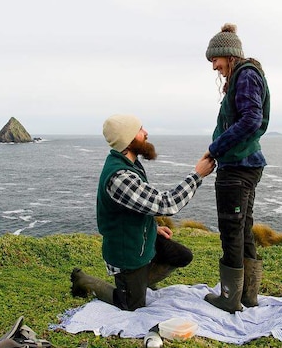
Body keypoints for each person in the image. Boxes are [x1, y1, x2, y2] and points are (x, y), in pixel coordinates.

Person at [71, 114, 215, 311]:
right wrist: (197, 175)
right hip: (127, 251)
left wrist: (153, 227)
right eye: (140, 130)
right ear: (128, 139)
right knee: (131, 305)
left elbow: (138, 206)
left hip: (142, 239)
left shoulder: (131, 164)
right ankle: (83, 279)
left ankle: (140, 282)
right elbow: (166, 204)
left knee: (182, 256)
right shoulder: (119, 177)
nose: (146, 133)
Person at [203, 23, 270, 313]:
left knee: (231, 231)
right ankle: (248, 296)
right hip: (247, 164)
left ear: (228, 55)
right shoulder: (246, 75)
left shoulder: (245, 75)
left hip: (237, 168)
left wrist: (214, 149)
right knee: (243, 230)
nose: (214, 66)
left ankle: (230, 298)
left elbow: (251, 119)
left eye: (214, 60)